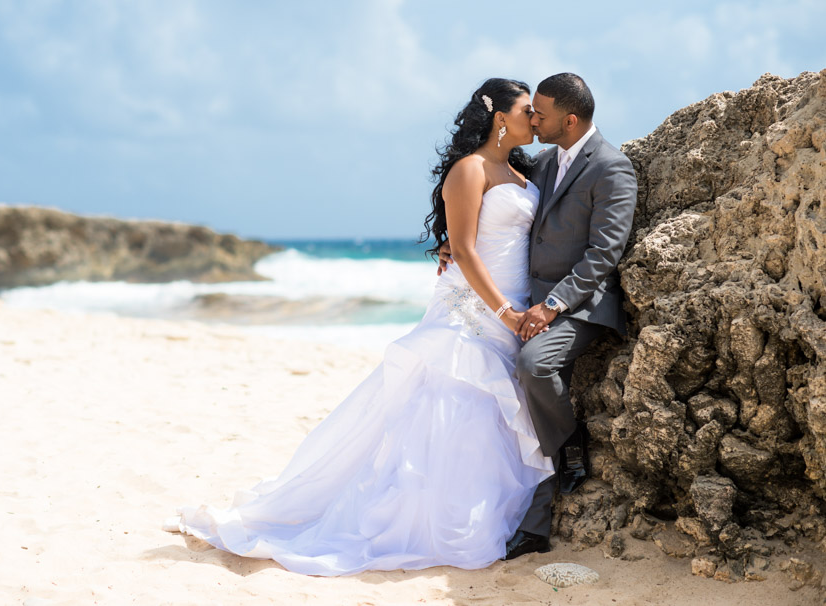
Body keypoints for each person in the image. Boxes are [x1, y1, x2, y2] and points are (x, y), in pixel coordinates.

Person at [163, 78, 554, 576]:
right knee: (451, 406)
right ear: (500, 116)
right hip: (474, 310)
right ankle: (427, 516)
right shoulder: (469, 169)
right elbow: (466, 247)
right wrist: (505, 312)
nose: (535, 118)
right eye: (527, 110)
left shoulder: (524, 170)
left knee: (487, 415)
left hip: (513, 305)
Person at [441, 73, 638, 559]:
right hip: (523, 300)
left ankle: (570, 445)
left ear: (568, 120)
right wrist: (455, 243)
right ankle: (532, 528)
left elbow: (605, 252)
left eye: (540, 114)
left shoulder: (612, 168)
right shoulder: (543, 163)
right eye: (529, 111)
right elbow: (489, 208)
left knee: (534, 366)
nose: (533, 119)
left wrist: (552, 305)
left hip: (580, 305)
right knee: (518, 402)